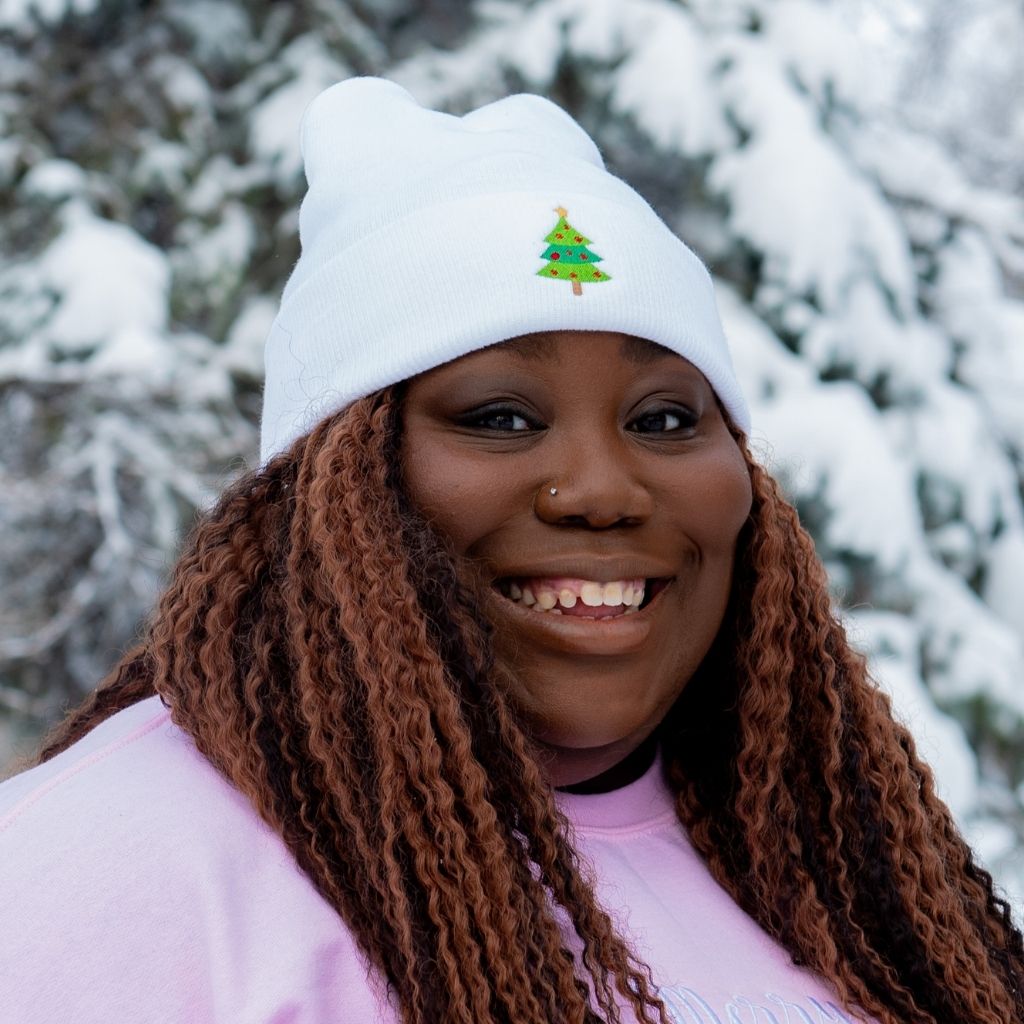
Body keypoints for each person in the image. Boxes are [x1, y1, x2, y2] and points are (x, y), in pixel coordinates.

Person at [1, 77, 1020, 1024]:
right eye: (498, 415)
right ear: (328, 489)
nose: (604, 490)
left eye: (666, 419)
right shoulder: (114, 868)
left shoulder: (841, 870)